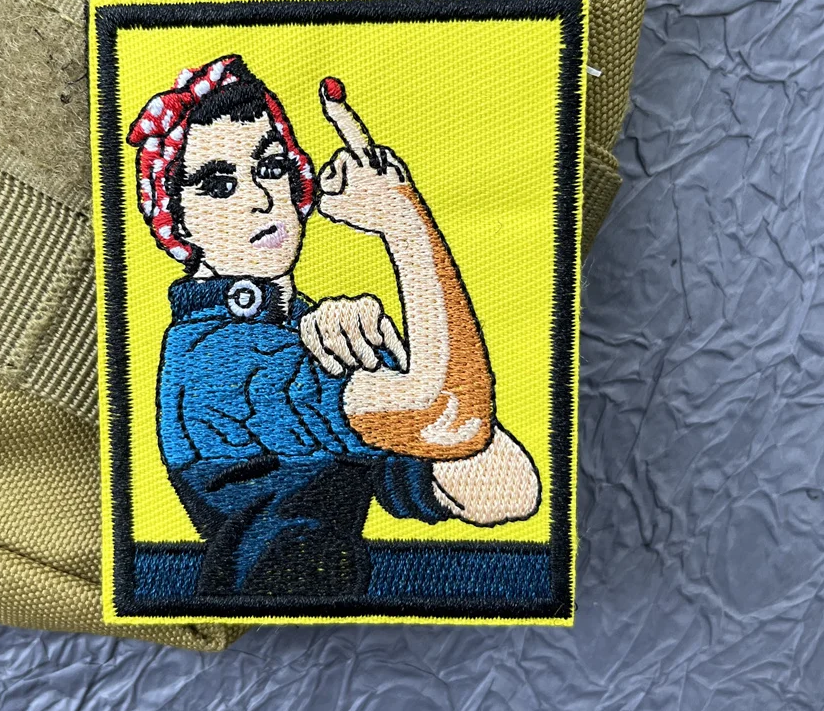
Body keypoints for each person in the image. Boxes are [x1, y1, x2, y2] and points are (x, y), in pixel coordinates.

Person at [127, 55, 540, 598]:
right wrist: (405, 224)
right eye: (220, 185)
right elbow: (449, 420)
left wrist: (394, 360)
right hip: (268, 611)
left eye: (270, 167)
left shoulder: (300, 331)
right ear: (175, 219)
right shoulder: (214, 359)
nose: (260, 199)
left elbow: (505, 492)